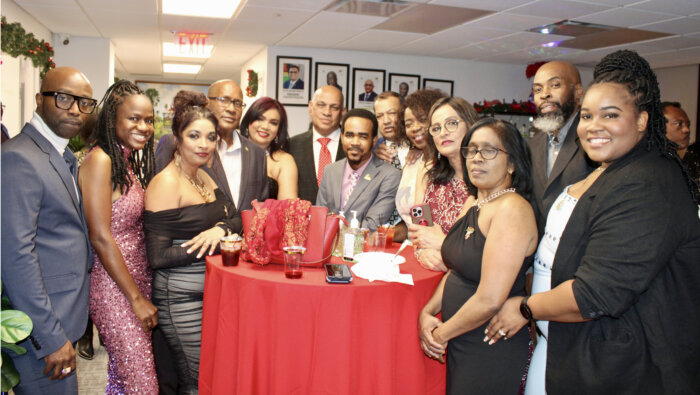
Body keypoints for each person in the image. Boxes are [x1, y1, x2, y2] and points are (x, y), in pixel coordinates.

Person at [486, 50, 700, 394]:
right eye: (586, 116)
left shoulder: (647, 181)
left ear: (643, 120)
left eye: (610, 115)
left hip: (626, 364)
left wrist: (525, 308)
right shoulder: (611, 171)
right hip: (570, 344)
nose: (593, 126)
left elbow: (594, 295)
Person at [419, 118, 538, 394]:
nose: (477, 158)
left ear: (512, 163)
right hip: (458, 335)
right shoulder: (474, 202)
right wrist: (425, 313)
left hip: (488, 342)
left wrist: (441, 334)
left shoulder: (512, 209)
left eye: (489, 150)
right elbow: (455, 271)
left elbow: (490, 299)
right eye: (471, 150)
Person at [1, 67, 96, 394]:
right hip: (41, 330)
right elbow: (15, 257)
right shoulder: (19, 158)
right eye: (64, 98)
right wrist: (51, 337)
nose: (75, 110)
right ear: (40, 100)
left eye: (84, 103)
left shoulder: (62, 155)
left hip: (62, 316)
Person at [145, 90, 238, 394]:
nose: (204, 144)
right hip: (179, 298)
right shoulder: (166, 183)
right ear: (178, 137)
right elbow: (157, 256)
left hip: (209, 292)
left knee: (210, 373)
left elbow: (236, 218)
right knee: (194, 379)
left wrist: (220, 230)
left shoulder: (204, 175)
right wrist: (214, 242)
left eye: (211, 137)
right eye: (195, 136)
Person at [78, 80, 158, 394]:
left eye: (149, 120)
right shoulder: (101, 160)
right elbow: (99, 236)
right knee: (141, 385)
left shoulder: (124, 160)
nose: (144, 126)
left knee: (123, 380)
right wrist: (136, 300)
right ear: (113, 119)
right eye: (134, 118)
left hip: (133, 283)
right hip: (115, 291)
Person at [156, 79, 268, 233]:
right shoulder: (175, 143)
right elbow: (159, 206)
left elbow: (260, 207)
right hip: (193, 247)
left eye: (237, 103)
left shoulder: (257, 154)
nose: (231, 108)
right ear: (208, 103)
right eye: (224, 100)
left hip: (243, 250)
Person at [409, 97, 478, 272]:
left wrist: (443, 245)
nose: (443, 132)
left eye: (452, 123)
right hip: (428, 268)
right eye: (436, 128)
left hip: (469, 278)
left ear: (471, 126)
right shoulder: (426, 173)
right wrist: (422, 252)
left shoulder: (486, 178)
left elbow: (485, 250)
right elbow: (418, 228)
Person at [528, 61, 596, 235]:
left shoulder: (593, 141)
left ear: (578, 92)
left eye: (555, 85)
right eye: (538, 90)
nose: (545, 95)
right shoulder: (531, 146)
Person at [316, 108, 401, 231]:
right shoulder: (330, 171)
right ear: (342, 137)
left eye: (363, 137)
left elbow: (371, 226)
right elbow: (320, 217)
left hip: (363, 248)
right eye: (349, 135)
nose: (355, 142)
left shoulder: (389, 175)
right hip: (327, 247)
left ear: (374, 140)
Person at [395, 89, 446, 225]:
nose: (414, 128)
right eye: (408, 124)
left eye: (422, 120)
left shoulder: (448, 164)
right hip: (413, 242)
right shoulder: (411, 162)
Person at [289, 85, 345, 203]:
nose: (327, 112)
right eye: (321, 105)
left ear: (343, 112)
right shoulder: (291, 146)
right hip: (302, 220)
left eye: (334, 107)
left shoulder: (353, 147)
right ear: (310, 107)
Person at [239, 97, 298, 199]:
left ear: (279, 129)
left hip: (269, 215)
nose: (265, 126)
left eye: (273, 123)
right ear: (249, 120)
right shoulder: (232, 151)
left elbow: (288, 207)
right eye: (260, 119)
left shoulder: (284, 161)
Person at [373, 91, 410, 169]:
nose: (386, 121)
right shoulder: (372, 150)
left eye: (392, 113)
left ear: (404, 113)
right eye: (379, 116)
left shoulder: (418, 146)